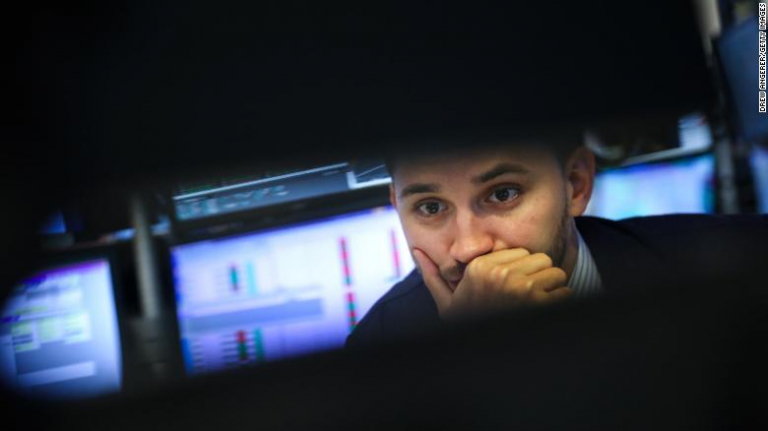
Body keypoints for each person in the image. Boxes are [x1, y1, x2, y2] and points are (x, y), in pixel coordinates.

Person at [345, 140, 768, 348]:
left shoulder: (738, 262)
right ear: (397, 206)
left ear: (575, 184)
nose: (469, 248)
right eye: (431, 207)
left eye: (503, 193)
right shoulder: (375, 349)